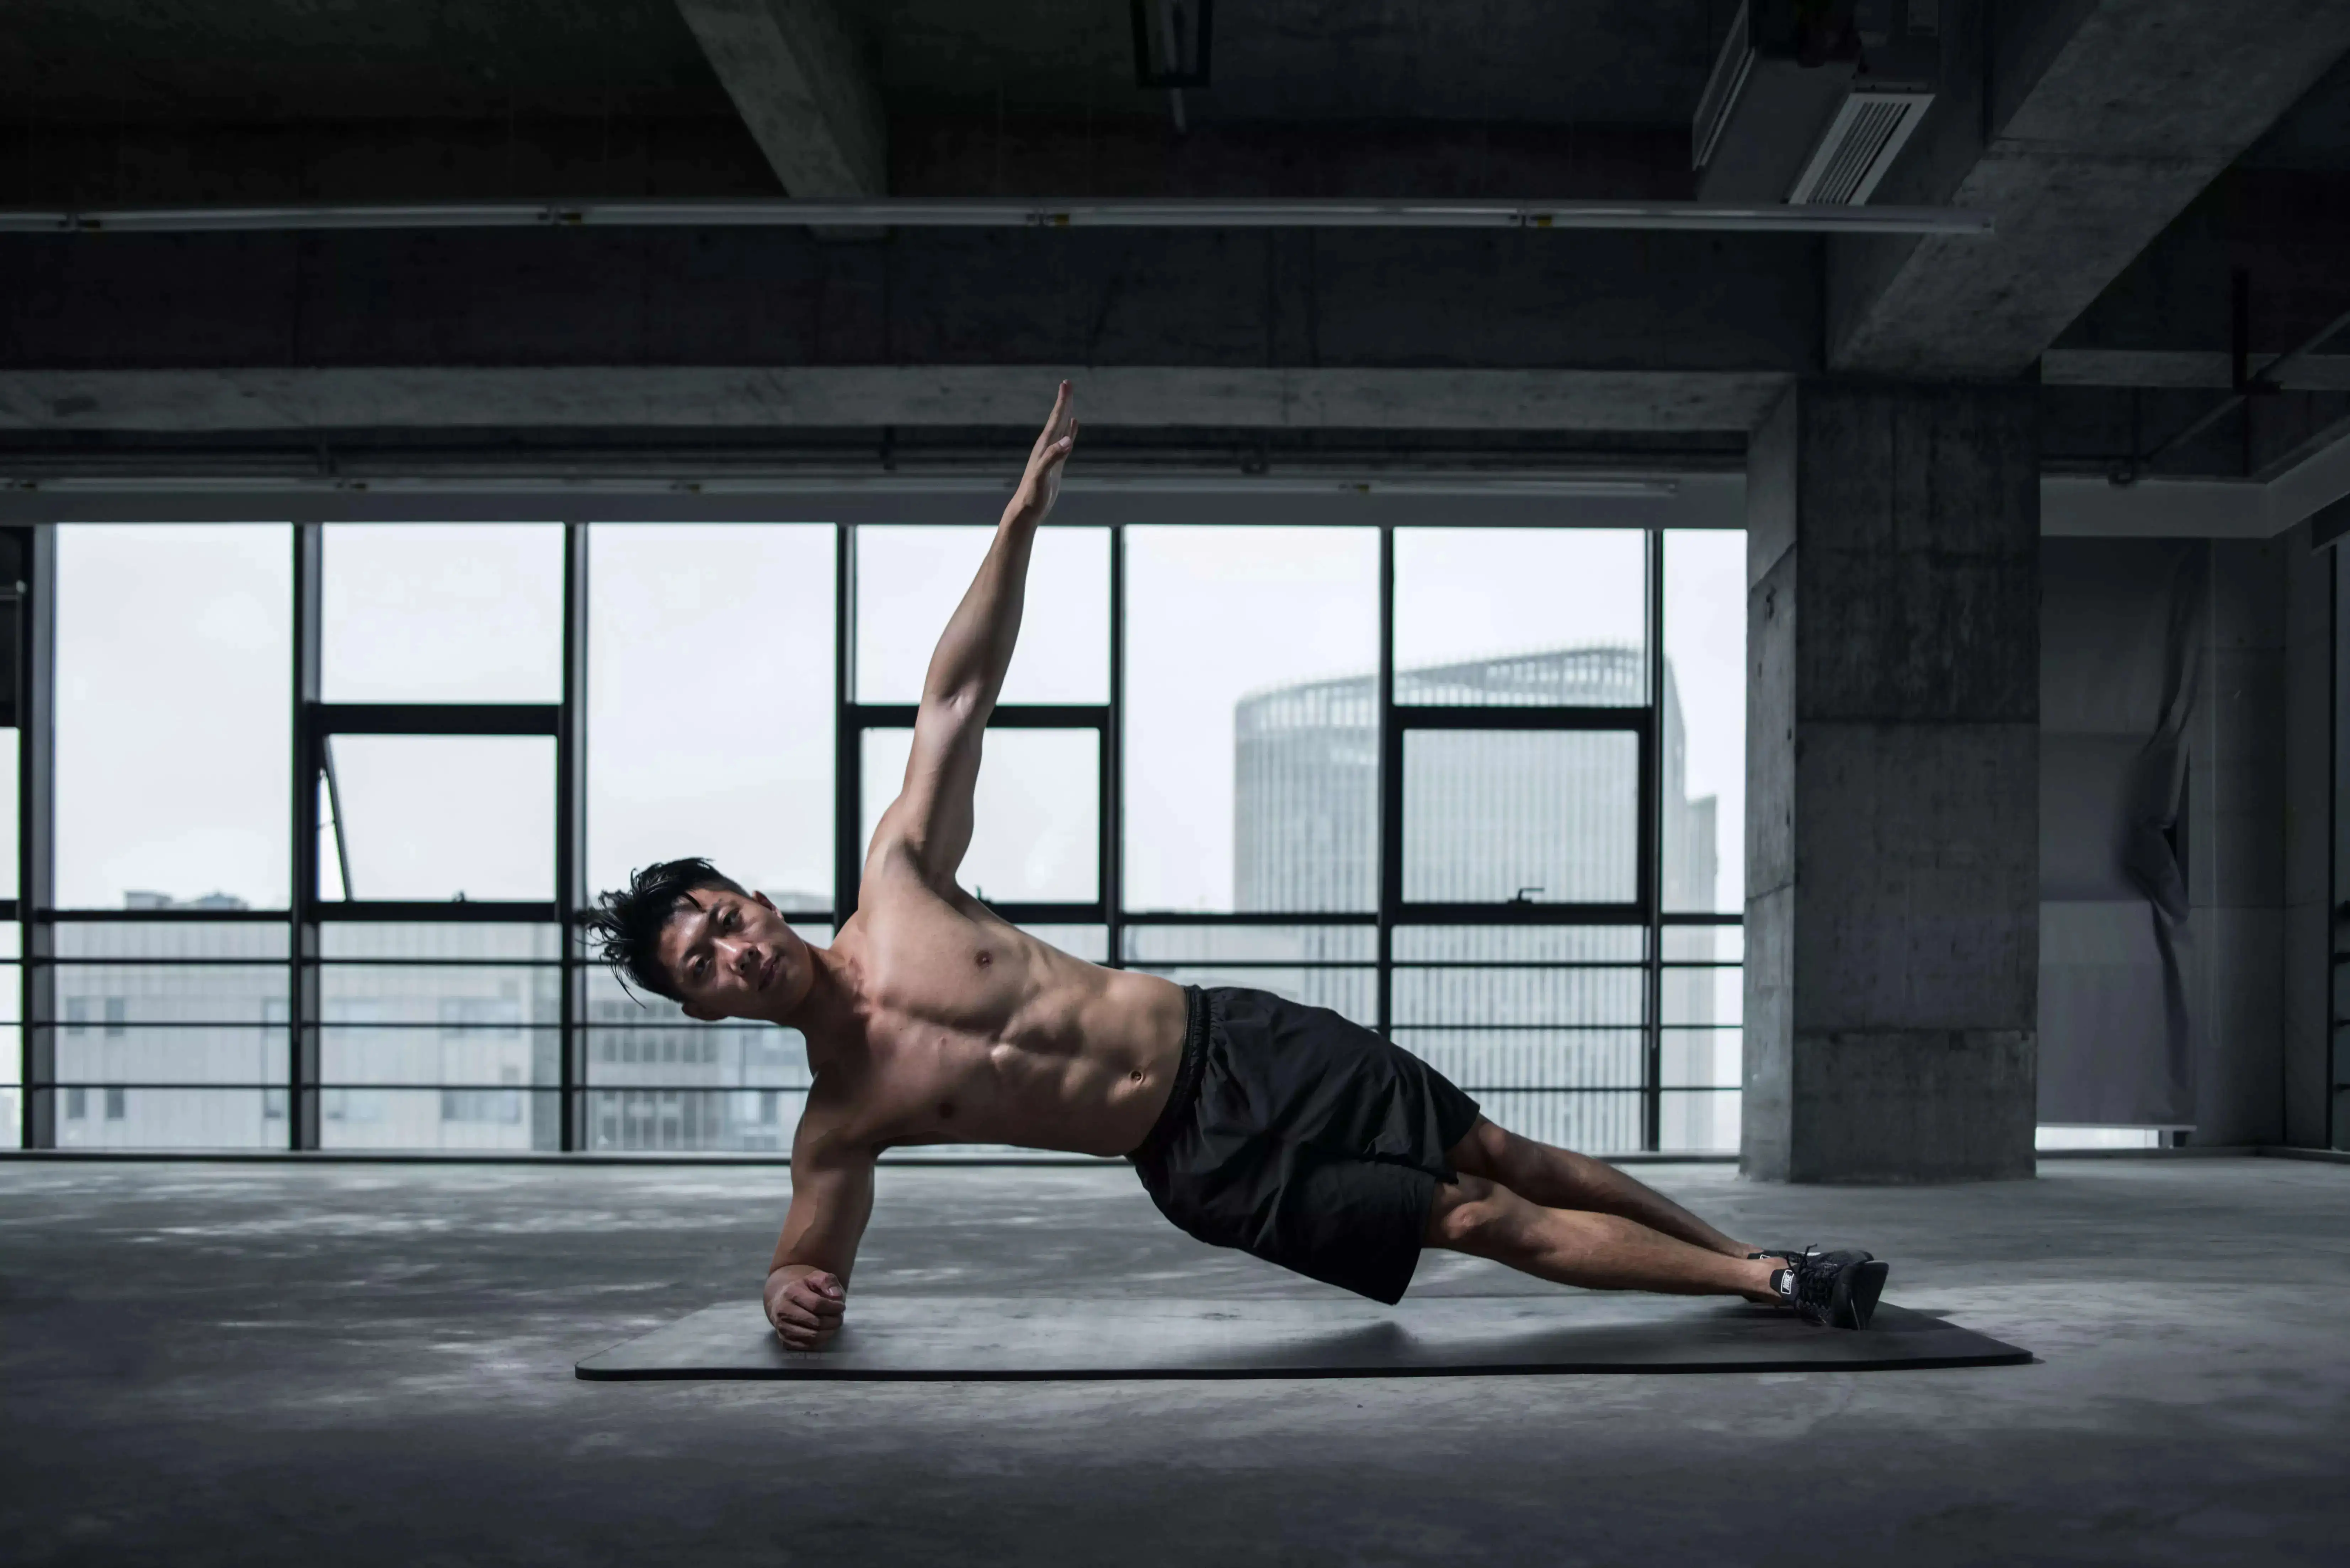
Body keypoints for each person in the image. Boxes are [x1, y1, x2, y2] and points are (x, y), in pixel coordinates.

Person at [587, 382, 1889, 1350]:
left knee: (1503, 1150)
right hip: (1199, 1161)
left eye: (721, 918)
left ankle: (1769, 1263)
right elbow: (809, 1256)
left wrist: (1023, 518)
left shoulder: (905, 882)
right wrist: (781, 1291)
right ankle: (1767, 1284)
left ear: (753, 895)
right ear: (708, 1010)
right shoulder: (842, 1117)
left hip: (1238, 1039)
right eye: (704, 967)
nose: (735, 951)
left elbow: (955, 696)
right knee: (1470, 1216)